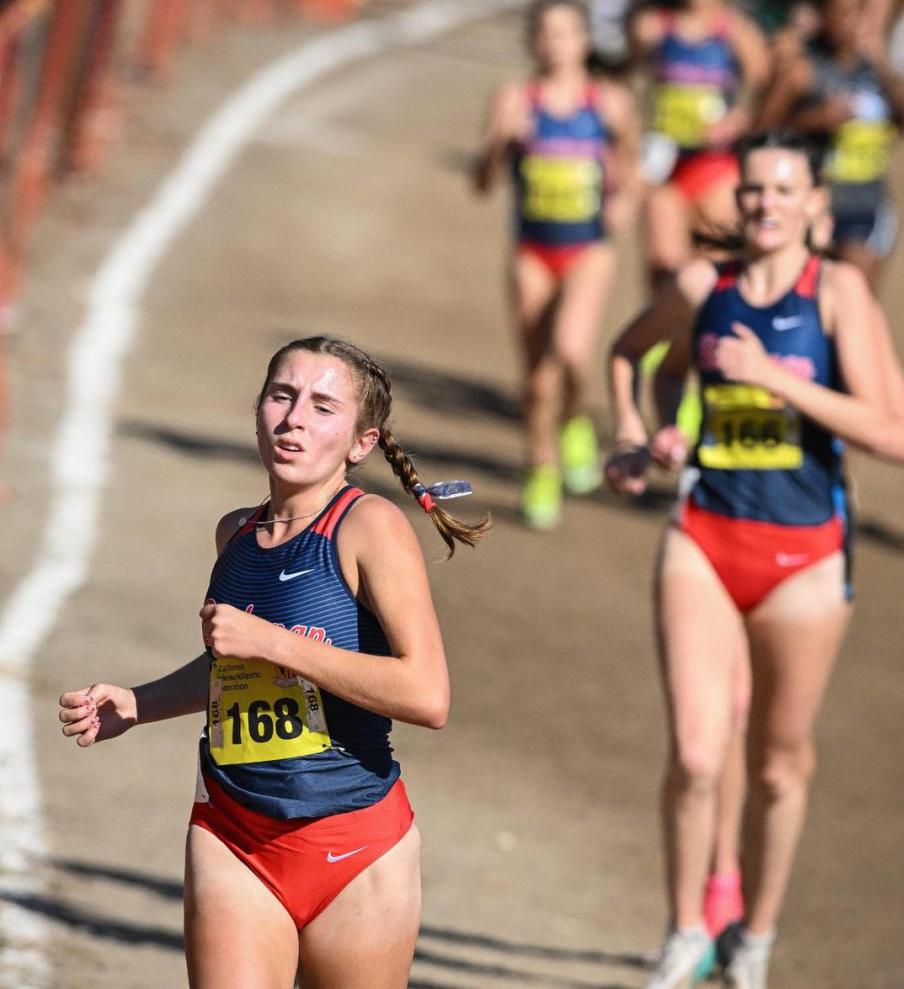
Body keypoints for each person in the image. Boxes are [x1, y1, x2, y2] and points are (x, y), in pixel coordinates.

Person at [59, 336, 490, 988]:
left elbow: (428, 693)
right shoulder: (234, 534)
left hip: (355, 847)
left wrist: (276, 641)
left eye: (322, 406)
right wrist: (138, 703)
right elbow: (238, 670)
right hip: (232, 833)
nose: (293, 419)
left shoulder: (369, 528)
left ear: (361, 442)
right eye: (281, 396)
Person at [605, 131, 904, 988]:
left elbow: (901, 435)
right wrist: (644, 437)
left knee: (779, 765)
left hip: (807, 558)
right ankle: (684, 931)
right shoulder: (703, 286)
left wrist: (777, 380)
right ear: (736, 201)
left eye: (784, 190)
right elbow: (630, 355)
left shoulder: (839, 294)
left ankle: (754, 938)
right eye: (752, 191)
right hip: (704, 536)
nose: (765, 205)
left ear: (815, 205)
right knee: (700, 753)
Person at [474, 0, 639, 530]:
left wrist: (623, 202)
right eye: (546, 33)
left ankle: (574, 422)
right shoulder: (514, 99)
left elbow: (633, 169)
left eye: (567, 33)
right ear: (533, 41)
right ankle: (540, 463)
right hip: (532, 253)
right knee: (536, 375)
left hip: (588, 248)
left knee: (572, 350)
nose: (556, 43)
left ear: (584, 41)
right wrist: (501, 141)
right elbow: (481, 183)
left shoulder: (609, 103)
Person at [755, 0, 904, 289]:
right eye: (843, 12)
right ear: (822, 16)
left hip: (866, 207)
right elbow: (760, 133)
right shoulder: (802, 72)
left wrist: (885, 69)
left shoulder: (878, 71)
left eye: (860, 11)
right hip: (811, 208)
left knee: (854, 295)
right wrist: (813, 120)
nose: (853, 21)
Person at [627, 0, 770, 289]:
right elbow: (625, 81)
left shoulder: (736, 30)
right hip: (666, 165)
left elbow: (767, 92)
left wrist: (737, 120)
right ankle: (668, 331)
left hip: (714, 165)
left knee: (715, 267)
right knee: (664, 269)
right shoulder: (652, 27)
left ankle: (708, 331)